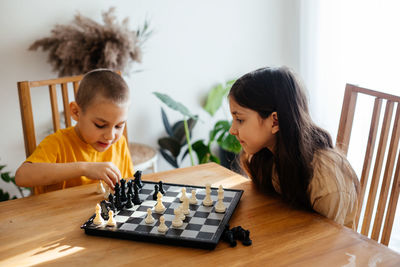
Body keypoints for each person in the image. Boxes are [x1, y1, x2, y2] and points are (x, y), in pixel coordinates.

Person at [228, 66, 360, 228]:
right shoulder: (264, 156)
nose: (232, 130)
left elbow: (328, 242)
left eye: (240, 120)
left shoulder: (325, 179)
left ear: (275, 121)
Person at [15, 69, 134, 194]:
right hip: (60, 211)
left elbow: (127, 182)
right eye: (100, 125)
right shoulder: (57, 143)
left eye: (119, 126)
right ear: (76, 112)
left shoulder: (119, 143)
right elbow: (22, 176)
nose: (110, 136)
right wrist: (84, 168)